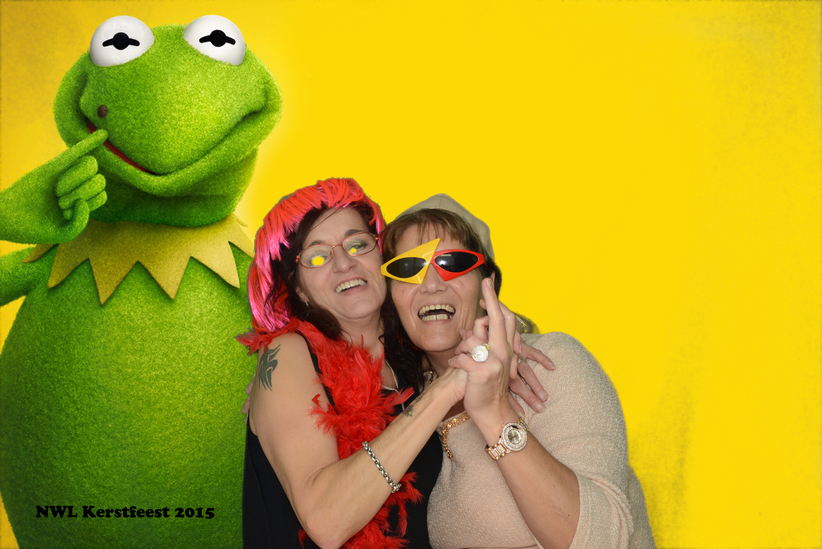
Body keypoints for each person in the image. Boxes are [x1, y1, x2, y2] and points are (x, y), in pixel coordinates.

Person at [239, 178, 552, 548]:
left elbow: (456, 294)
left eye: (358, 244)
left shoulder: (411, 357)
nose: (344, 263)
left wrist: (505, 334)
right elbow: (325, 522)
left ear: (383, 261)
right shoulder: (290, 353)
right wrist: (446, 387)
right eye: (318, 256)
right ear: (299, 288)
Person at [379, 197, 656, 549]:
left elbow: (601, 542)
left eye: (453, 263)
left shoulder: (548, 363)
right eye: (407, 268)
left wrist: (494, 411)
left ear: (488, 283)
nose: (432, 284)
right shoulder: (406, 401)